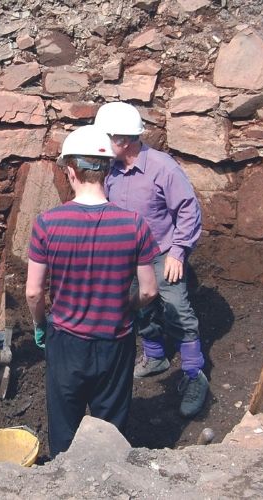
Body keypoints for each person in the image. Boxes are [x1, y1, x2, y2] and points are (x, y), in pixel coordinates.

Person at [26, 125, 160, 457]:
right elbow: (149, 292)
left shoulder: (47, 223)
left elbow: (33, 293)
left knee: (64, 425)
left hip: (66, 341)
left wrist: (41, 325)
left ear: (70, 170)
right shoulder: (134, 224)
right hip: (115, 341)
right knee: (110, 429)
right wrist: (127, 307)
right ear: (108, 169)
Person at [95, 101, 209, 417]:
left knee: (177, 310)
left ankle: (193, 374)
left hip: (161, 252)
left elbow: (188, 209)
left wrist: (179, 252)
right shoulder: (109, 169)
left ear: (124, 140)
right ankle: (155, 355)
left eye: (106, 136)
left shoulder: (162, 168)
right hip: (126, 255)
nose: (101, 142)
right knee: (137, 306)